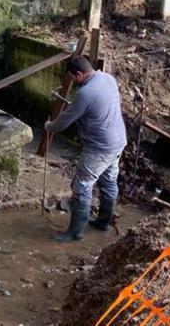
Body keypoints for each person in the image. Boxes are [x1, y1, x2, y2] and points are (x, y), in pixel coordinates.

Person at [45, 55, 127, 242]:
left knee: (81, 187)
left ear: (80, 74)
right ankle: (103, 222)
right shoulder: (108, 78)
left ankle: (75, 232)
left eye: (72, 78)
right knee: (108, 182)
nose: (73, 82)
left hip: (99, 149)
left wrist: (48, 125)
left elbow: (62, 124)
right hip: (118, 142)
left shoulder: (85, 94)